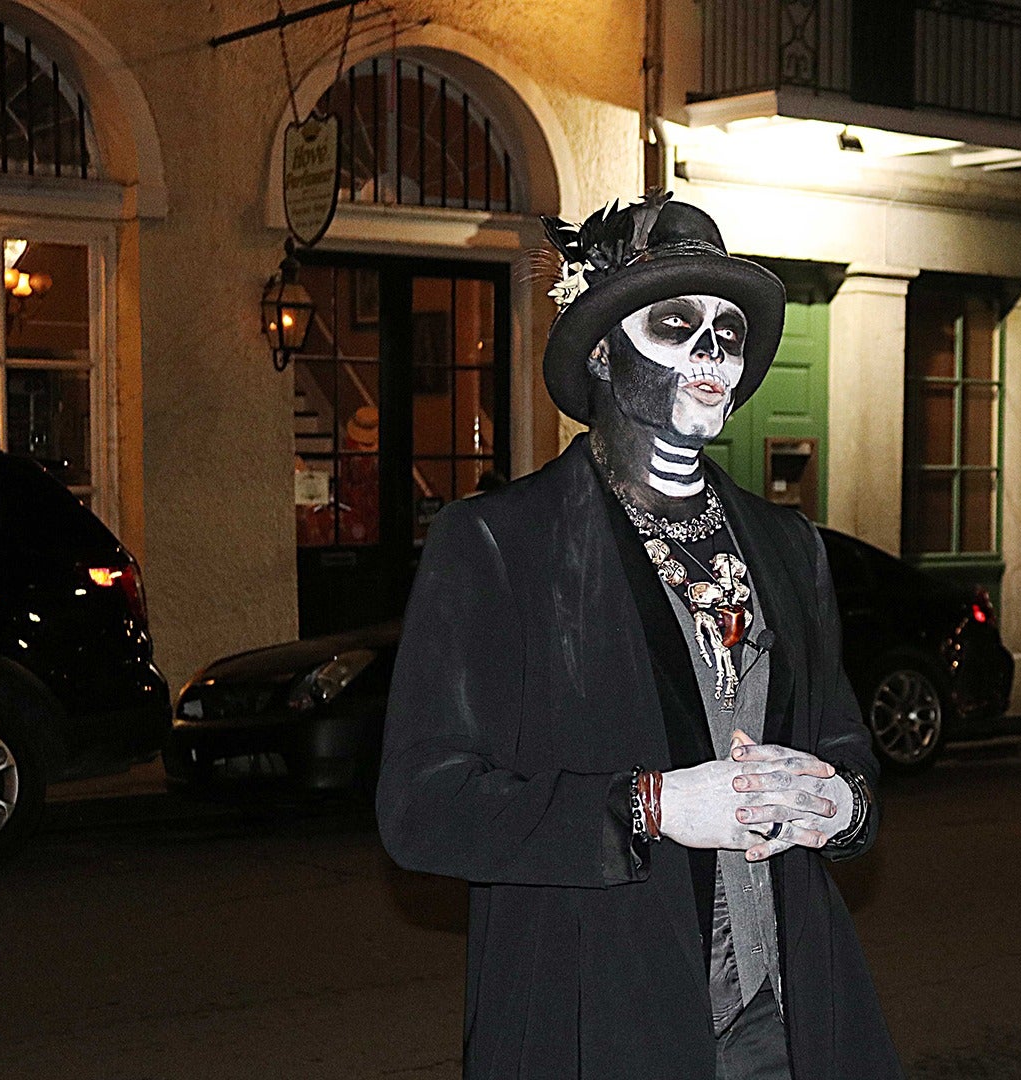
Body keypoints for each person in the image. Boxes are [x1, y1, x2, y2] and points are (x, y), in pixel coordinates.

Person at [376, 192, 902, 1080]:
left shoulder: (786, 544)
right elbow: (425, 809)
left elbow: (844, 743)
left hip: (786, 1013)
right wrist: (651, 806)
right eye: (677, 322)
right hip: (600, 1011)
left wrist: (838, 804)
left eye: (728, 334)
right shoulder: (503, 543)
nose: (712, 354)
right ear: (604, 352)